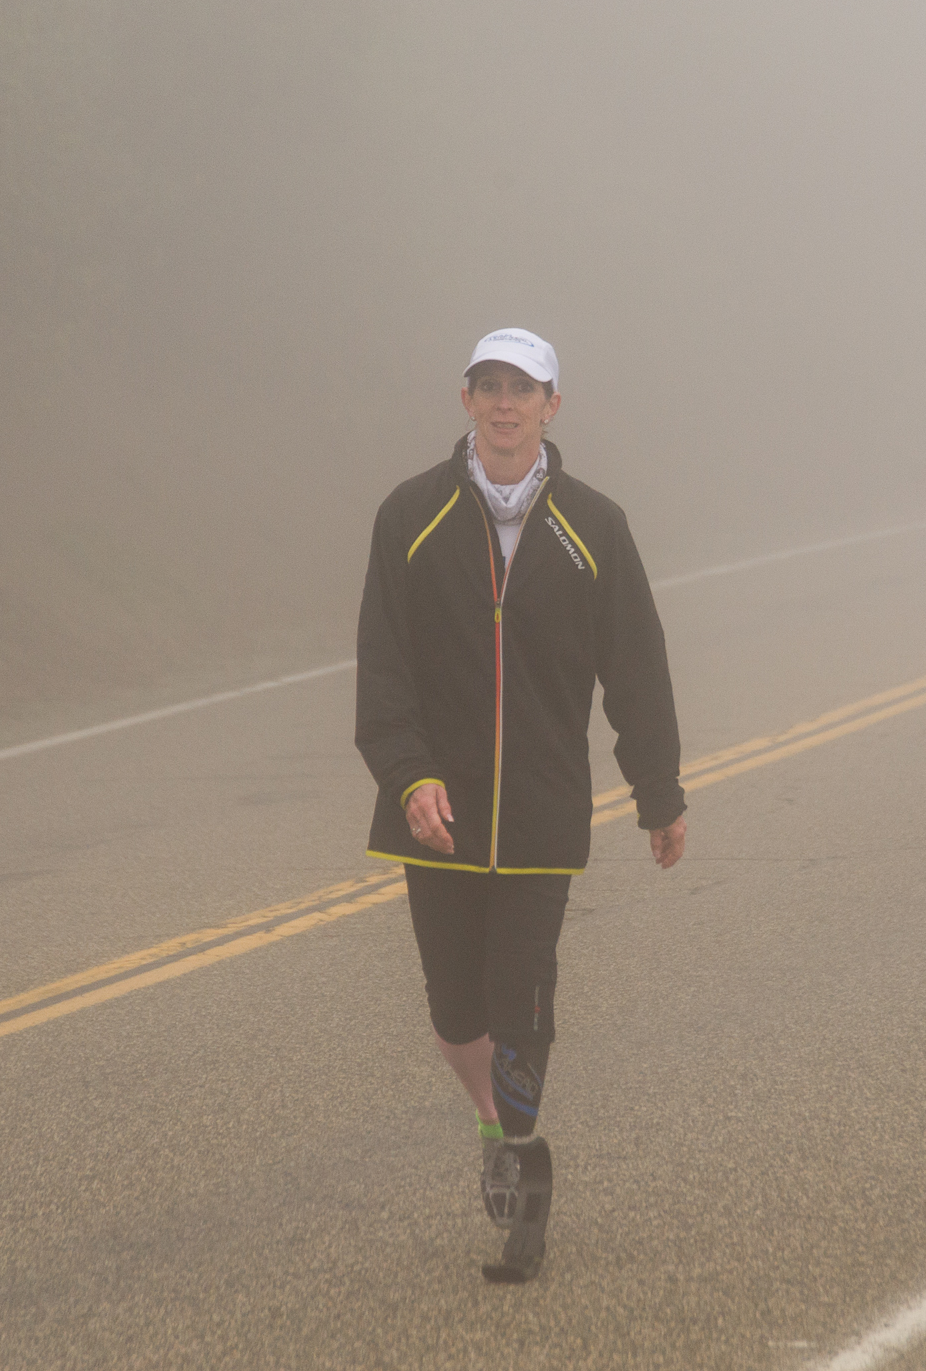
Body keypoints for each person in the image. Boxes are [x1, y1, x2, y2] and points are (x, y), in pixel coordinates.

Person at [355, 327, 688, 1283]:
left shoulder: (594, 527)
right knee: (455, 1012)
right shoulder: (410, 517)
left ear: (552, 406)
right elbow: (385, 666)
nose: (504, 403)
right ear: (466, 402)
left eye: (523, 388)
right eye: (488, 386)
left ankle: (525, 1163)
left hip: (541, 815)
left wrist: (657, 791)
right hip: (438, 815)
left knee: (521, 999)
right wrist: (408, 775)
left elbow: (637, 669)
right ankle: (489, 1123)